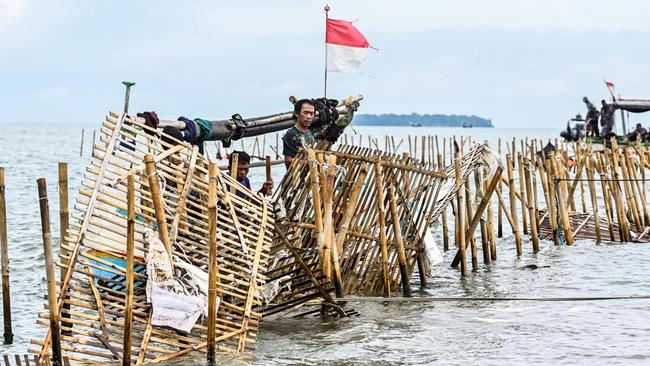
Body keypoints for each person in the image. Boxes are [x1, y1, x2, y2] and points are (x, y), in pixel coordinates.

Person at [282, 99, 316, 168]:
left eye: (311, 113)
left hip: (309, 177)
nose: (309, 117)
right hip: (295, 177)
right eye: (305, 113)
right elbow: (288, 161)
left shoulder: (309, 132)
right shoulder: (290, 134)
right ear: (297, 113)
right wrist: (306, 163)